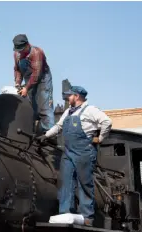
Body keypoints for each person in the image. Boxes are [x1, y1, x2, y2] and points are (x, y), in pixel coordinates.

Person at [37, 86, 112, 226]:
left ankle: (87, 216)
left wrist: (100, 138)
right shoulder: (68, 112)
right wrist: (45, 136)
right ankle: (65, 212)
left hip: (84, 151)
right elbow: (59, 127)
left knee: (84, 182)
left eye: (69, 96)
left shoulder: (90, 110)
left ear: (76, 96)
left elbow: (107, 122)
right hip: (68, 151)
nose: (67, 98)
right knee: (66, 181)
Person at [13, 34, 54, 135]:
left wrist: (26, 88)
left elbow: (36, 74)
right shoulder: (16, 54)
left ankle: (49, 134)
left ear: (27, 44)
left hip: (43, 79)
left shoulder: (36, 52)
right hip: (29, 79)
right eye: (18, 50)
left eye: (22, 50)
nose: (20, 52)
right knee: (31, 105)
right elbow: (17, 69)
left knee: (44, 107)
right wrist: (18, 83)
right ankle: (32, 130)